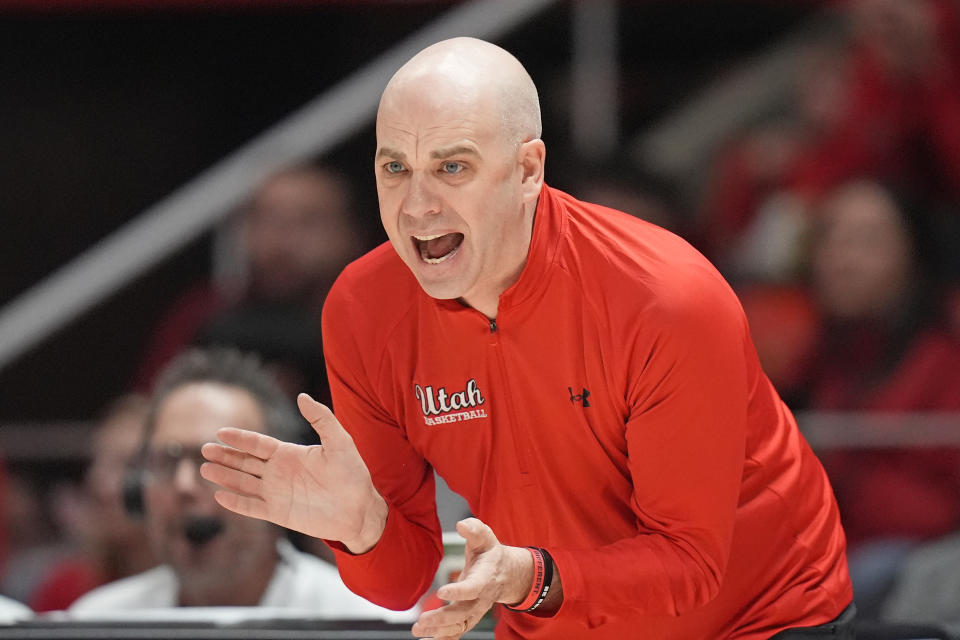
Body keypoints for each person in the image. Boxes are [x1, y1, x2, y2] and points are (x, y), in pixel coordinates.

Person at [200, 38, 854, 639]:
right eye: (395, 168)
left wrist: (528, 577)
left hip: (761, 615)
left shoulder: (665, 298)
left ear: (528, 169)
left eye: (451, 167)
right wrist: (361, 529)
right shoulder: (363, 310)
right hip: (548, 612)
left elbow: (689, 564)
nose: (417, 205)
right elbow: (401, 581)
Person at [70, 348, 413, 622]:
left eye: (218, 461)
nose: (185, 485)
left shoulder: (362, 625)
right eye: (168, 461)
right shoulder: (98, 622)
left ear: (283, 480)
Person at [133, 164, 363, 403]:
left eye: (308, 221)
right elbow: (147, 407)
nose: (283, 241)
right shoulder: (205, 312)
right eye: (267, 219)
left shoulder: (378, 324)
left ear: (351, 233)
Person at [29, 395, 157, 612]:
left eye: (130, 465)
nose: (101, 485)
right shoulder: (66, 589)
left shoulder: (200, 591)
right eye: (99, 462)